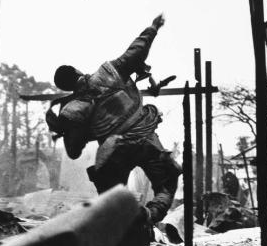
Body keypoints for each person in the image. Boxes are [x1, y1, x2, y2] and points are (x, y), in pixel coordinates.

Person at [46, 14, 182, 225]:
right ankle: (149, 215)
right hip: (144, 138)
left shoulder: (73, 109)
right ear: (77, 70)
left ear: (66, 88)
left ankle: (128, 223)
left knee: (112, 198)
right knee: (166, 183)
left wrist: (70, 130)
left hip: (113, 151)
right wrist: (153, 28)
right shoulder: (109, 72)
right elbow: (137, 51)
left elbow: (73, 151)